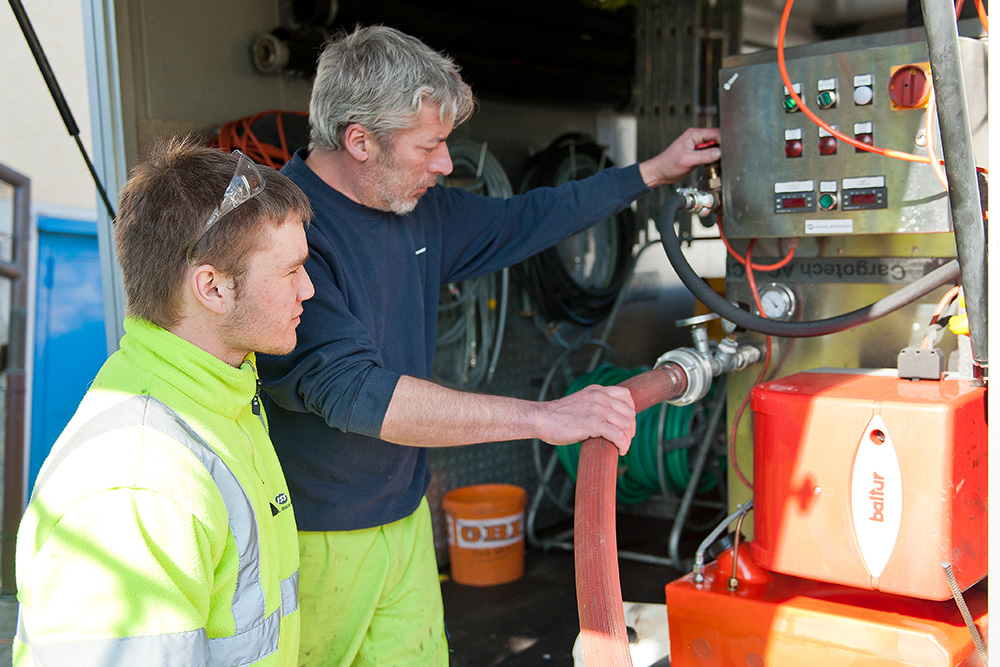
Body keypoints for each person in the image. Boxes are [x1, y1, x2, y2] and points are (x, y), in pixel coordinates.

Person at [257, 25, 723, 667]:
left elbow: (528, 218)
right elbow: (359, 395)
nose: (447, 164)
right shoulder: (283, 236)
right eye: (431, 146)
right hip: (313, 538)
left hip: (404, 519)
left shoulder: (419, 210)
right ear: (359, 141)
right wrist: (544, 417)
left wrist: (651, 172)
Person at [14, 137, 315, 666]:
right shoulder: (141, 484)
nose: (308, 289)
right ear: (213, 288)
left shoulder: (225, 401)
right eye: (290, 271)